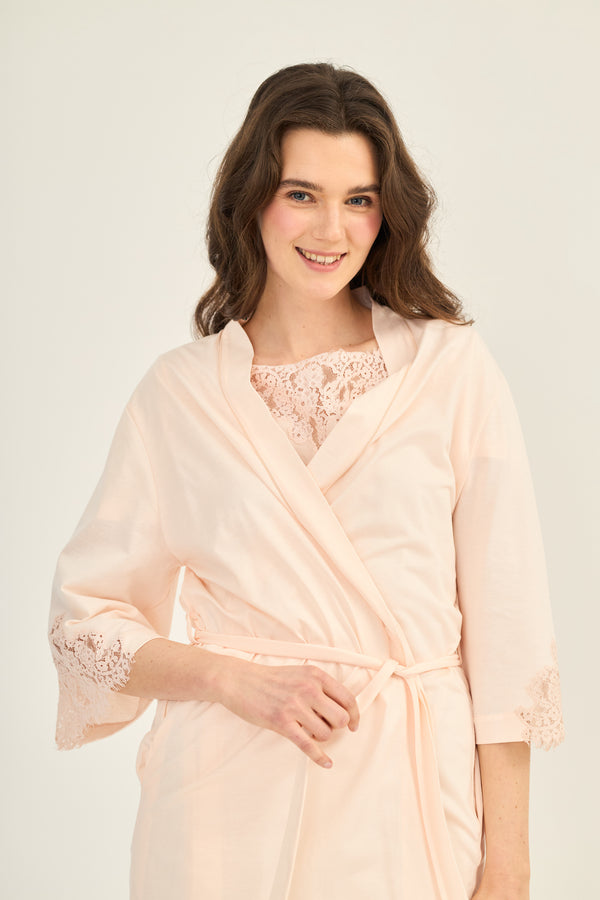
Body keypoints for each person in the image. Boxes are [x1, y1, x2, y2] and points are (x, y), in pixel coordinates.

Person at [48, 62, 565, 900]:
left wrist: (510, 867)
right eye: (301, 194)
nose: (332, 229)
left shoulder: (450, 371)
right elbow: (84, 624)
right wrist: (228, 677)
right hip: (219, 810)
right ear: (252, 198)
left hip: (408, 808)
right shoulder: (178, 395)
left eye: (360, 199)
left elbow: (510, 634)